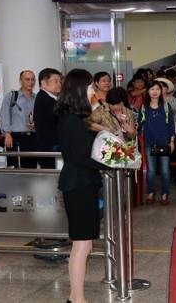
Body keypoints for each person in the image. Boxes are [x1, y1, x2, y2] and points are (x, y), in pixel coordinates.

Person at [55, 69, 108, 303]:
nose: (92, 91)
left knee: (84, 244)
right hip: (77, 184)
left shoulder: (77, 117)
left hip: (83, 183)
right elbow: (78, 156)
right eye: (89, 87)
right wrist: (107, 163)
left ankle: (76, 297)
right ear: (79, 89)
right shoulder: (70, 120)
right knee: (81, 245)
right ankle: (77, 299)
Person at [139, 81, 175, 205]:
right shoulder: (144, 107)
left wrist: (172, 142)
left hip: (164, 142)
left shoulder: (166, 106)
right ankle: (151, 193)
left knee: (165, 170)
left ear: (161, 91)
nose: (155, 92)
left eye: (157, 89)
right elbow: (139, 124)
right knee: (151, 170)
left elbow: (171, 125)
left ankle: (165, 194)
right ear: (148, 91)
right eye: (152, 89)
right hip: (149, 143)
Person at [0, 70, 37, 168]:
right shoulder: (11, 96)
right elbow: (4, 115)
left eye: (33, 79)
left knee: (31, 168)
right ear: (20, 81)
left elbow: (39, 117)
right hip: (14, 138)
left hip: (32, 137)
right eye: (27, 79)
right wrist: (7, 134)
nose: (31, 82)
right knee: (14, 168)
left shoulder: (36, 98)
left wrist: (35, 124)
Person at [33, 68, 62, 169]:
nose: (59, 84)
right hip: (50, 149)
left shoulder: (48, 98)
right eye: (55, 81)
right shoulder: (46, 100)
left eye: (60, 81)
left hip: (49, 148)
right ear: (44, 83)